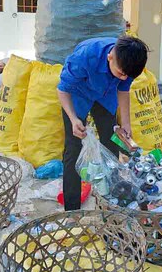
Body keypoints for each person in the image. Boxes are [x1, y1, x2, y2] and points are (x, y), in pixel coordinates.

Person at [58, 36, 149, 211]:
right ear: (110, 57)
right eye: (122, 73)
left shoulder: (129, 62)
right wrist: (73, 119)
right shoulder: (84, 57)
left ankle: (111, 199)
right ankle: (72, 210)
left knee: (112, 142)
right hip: (78, 93)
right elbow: (63, 89)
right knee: (73, 148)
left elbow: (123, 90)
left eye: (127, 76)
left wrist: (126, 123)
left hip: (105, 94)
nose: (124, 77)